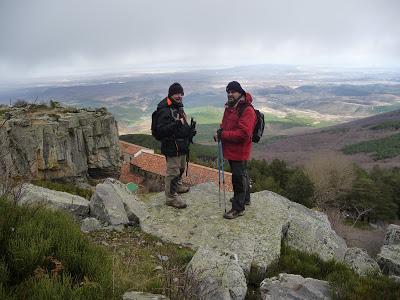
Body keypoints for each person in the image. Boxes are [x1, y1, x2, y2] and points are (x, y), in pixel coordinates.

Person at [214, 81, 256, 219]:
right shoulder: (230, 107)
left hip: (240, 151)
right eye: (228, 92)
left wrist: (223, 135)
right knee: (241, 174)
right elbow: (225, 124)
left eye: (233, 91)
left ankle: (238, 208)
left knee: (238, 178)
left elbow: (244, 134)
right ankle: (245, 198)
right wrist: (220, 131)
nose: (230, 94)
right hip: (231, 149)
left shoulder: (247, 110)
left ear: (240, 93)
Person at [156, 82, 194, 209]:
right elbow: (161, 130)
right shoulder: (164, 110)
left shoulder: (178, 107)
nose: (179, 96)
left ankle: (177, 186)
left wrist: (189, 132)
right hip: (172, 146)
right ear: (171, 94)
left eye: (181, 93)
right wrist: (177, 124)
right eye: (177, 93)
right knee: (172, 172)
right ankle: (171, 197)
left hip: (181, 145)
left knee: (181, 168)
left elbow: (182, 125)